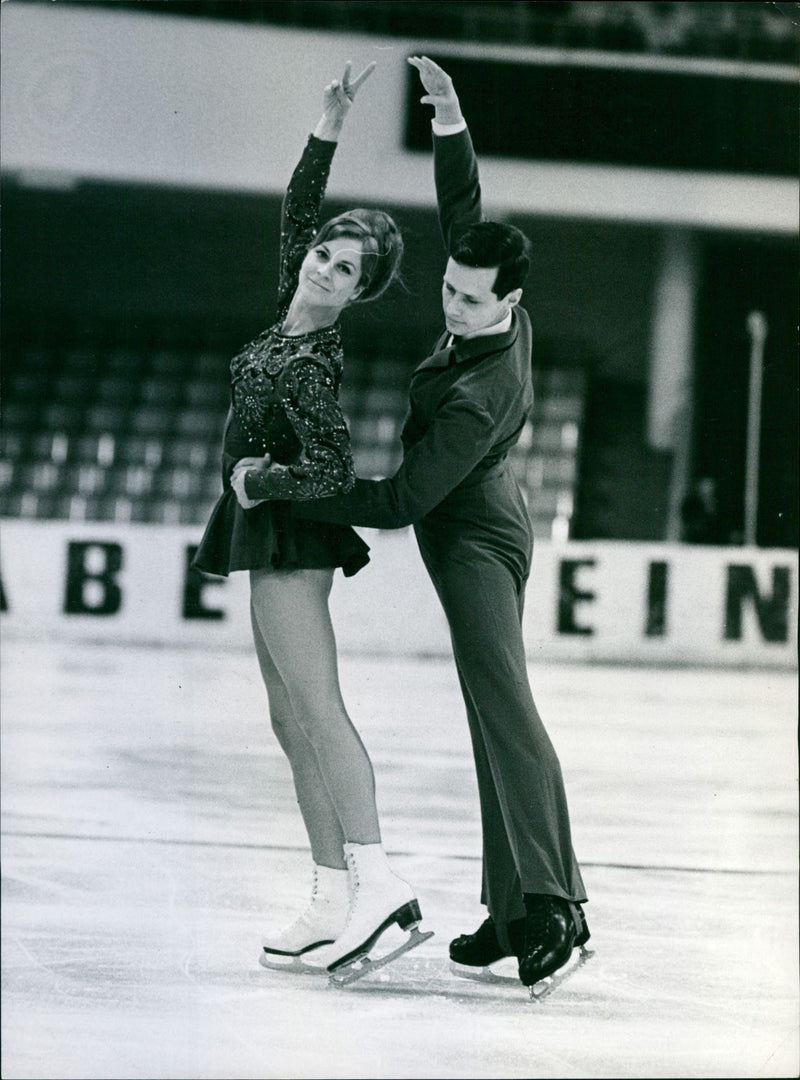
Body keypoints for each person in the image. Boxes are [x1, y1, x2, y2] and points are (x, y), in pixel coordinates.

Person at [238, 56, 590, 994]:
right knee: (487, 708)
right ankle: (510, 912)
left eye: (473, 301)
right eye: (449, 290)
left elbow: (396, 502)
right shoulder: (483, 284)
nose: (456, 305)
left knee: (504, 704)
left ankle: (556, 905)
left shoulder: (485, 388)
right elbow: (464, 212)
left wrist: (282, 490)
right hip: (459, 525)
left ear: (510, 305)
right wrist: (449, 120)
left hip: (475, 534)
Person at [193, 62, 429, 979]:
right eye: (328, 254)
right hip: (265, 534)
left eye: (349, 270)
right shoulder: (287, 310)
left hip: (290, 540)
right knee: (288, 717)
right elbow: (298, 205)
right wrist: (327, 125)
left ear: (361, 291)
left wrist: (259, 481)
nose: (330, 268)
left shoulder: (310, 360)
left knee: (317, 709)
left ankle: (380, 881)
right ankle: (332, 893)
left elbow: (331, 464)